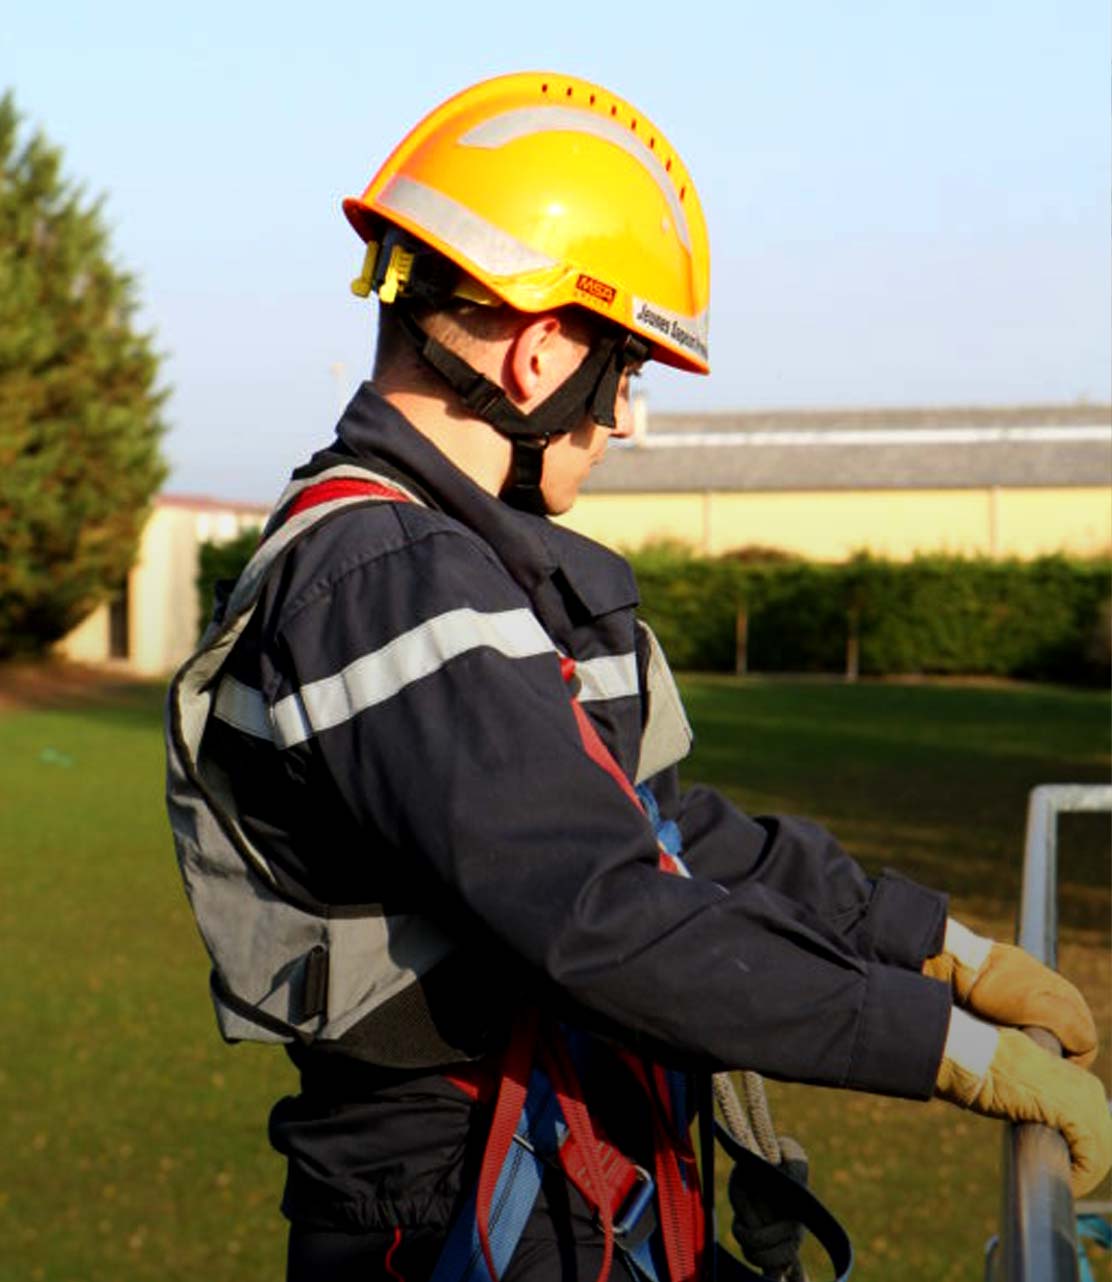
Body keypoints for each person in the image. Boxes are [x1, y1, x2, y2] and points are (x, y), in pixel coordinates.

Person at [165, 71, 1111, 1282]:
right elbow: (607, 918)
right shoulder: (384, 578)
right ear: (541, 352)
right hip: (463, 1213)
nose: (626, 419)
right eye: (626, 368)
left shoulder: (466, 563)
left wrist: (934, 942)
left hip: (560, 1175)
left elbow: (662, 833)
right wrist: (941, 1047)